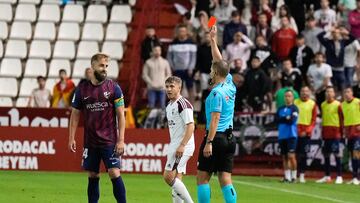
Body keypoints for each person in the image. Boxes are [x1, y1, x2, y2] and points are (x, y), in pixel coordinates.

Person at [68, 53, 127, 202]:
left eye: (106, 66)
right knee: (93, 175)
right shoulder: (82, 89)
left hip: (110, 140)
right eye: (101, 65)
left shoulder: (114, 88)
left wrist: (121, 140)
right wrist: (71, 138)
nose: (104, 69)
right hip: (91, 141)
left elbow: (121, 115)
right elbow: (75, 114)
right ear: (93, 66)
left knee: (114, 172)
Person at [197, 25, 237, 203]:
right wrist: (213, 40)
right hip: (230, 139)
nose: (210, 71)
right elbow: (219, 61)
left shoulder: (215, 93)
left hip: (216, 137)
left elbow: (214, 119)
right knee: (225, 178)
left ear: (215, 72)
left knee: (202, 178)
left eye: (212, 70)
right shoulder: (230, 85)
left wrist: (208, 142)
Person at [163, 76, 195, 203]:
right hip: (175, 144)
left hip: (182, 146)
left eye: (172, 86)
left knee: (168, 177)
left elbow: (191, 126)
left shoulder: (184, 104)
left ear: (179, 88)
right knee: (177, 177)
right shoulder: (170, 105)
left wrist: (182, 145)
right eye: (167, 87)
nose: (169, 89)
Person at [316, 86, 344, 184]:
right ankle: (327, 176)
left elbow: (342, 119)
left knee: (337, 154)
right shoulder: (323, 104)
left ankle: (339, 176)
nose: (328, 93)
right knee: (326, 155)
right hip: (326, 133)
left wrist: (342, 132)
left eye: (330, 92)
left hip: (335, 132)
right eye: (327, 92)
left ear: (334, 94)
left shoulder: (338, 105)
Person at [317, 27, 355, 92]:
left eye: (337, 33)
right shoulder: (328, 42)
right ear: (332, 34)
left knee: (343, 86)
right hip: (331, 67)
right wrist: (328, 30)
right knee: (332, 86)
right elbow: (319, 36)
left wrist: (346, 33)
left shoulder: (343, 42)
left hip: (340, 68)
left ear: (339, 34)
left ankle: (343, 100)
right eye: (334, 33)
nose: (336, 34)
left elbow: (353, 38)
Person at [167, 24, 197, 104]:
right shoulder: (173, 43)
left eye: (183, 31)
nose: (182, 32)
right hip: (177, 70)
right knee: (177, 89)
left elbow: (193, 57)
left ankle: (191, 107)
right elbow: (169, 57)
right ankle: (179, 106)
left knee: (190, 88)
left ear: (186, 32)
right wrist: (172, 67)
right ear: (177, 32)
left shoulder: (191, 42)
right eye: (180, 31)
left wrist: (191, 68)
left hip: (188, 70)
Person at [294, 86, 317, 183]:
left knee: (303, 154)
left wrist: (307, 131)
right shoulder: (295, 102)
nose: (304, 93)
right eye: (302, 91)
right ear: (300, 92)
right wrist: (297, 131)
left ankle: (302, 175)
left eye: (306, 91)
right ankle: (293, 175)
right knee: (293, 154)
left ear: (309, 93)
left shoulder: (312, 104)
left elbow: (313, 120)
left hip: (306, 133)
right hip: (295, 132)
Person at [276, 90, 299, 182]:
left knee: (291, 156)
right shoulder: (280, 109)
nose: (287, 98)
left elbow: (292, 120)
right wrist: (286, 118)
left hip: (291, 135)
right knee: (284, 156)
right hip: (282, 135)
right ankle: (287, 177)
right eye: (286, 96)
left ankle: (294, 176)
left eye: (289, 96)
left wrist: (284, 119)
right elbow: (276, 119)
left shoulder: (294, 108)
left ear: (292, 97)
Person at [341, 87, 360, 185]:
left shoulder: (357, 102)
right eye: (345, 92)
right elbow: (343, 118)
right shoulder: (342, 104)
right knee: (352, 154)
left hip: (357, 131)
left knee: (356, 153)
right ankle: (354, 177)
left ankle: (357, 177)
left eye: (348, 91)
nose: (346, 93)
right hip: (348, 132)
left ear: (352, 93)